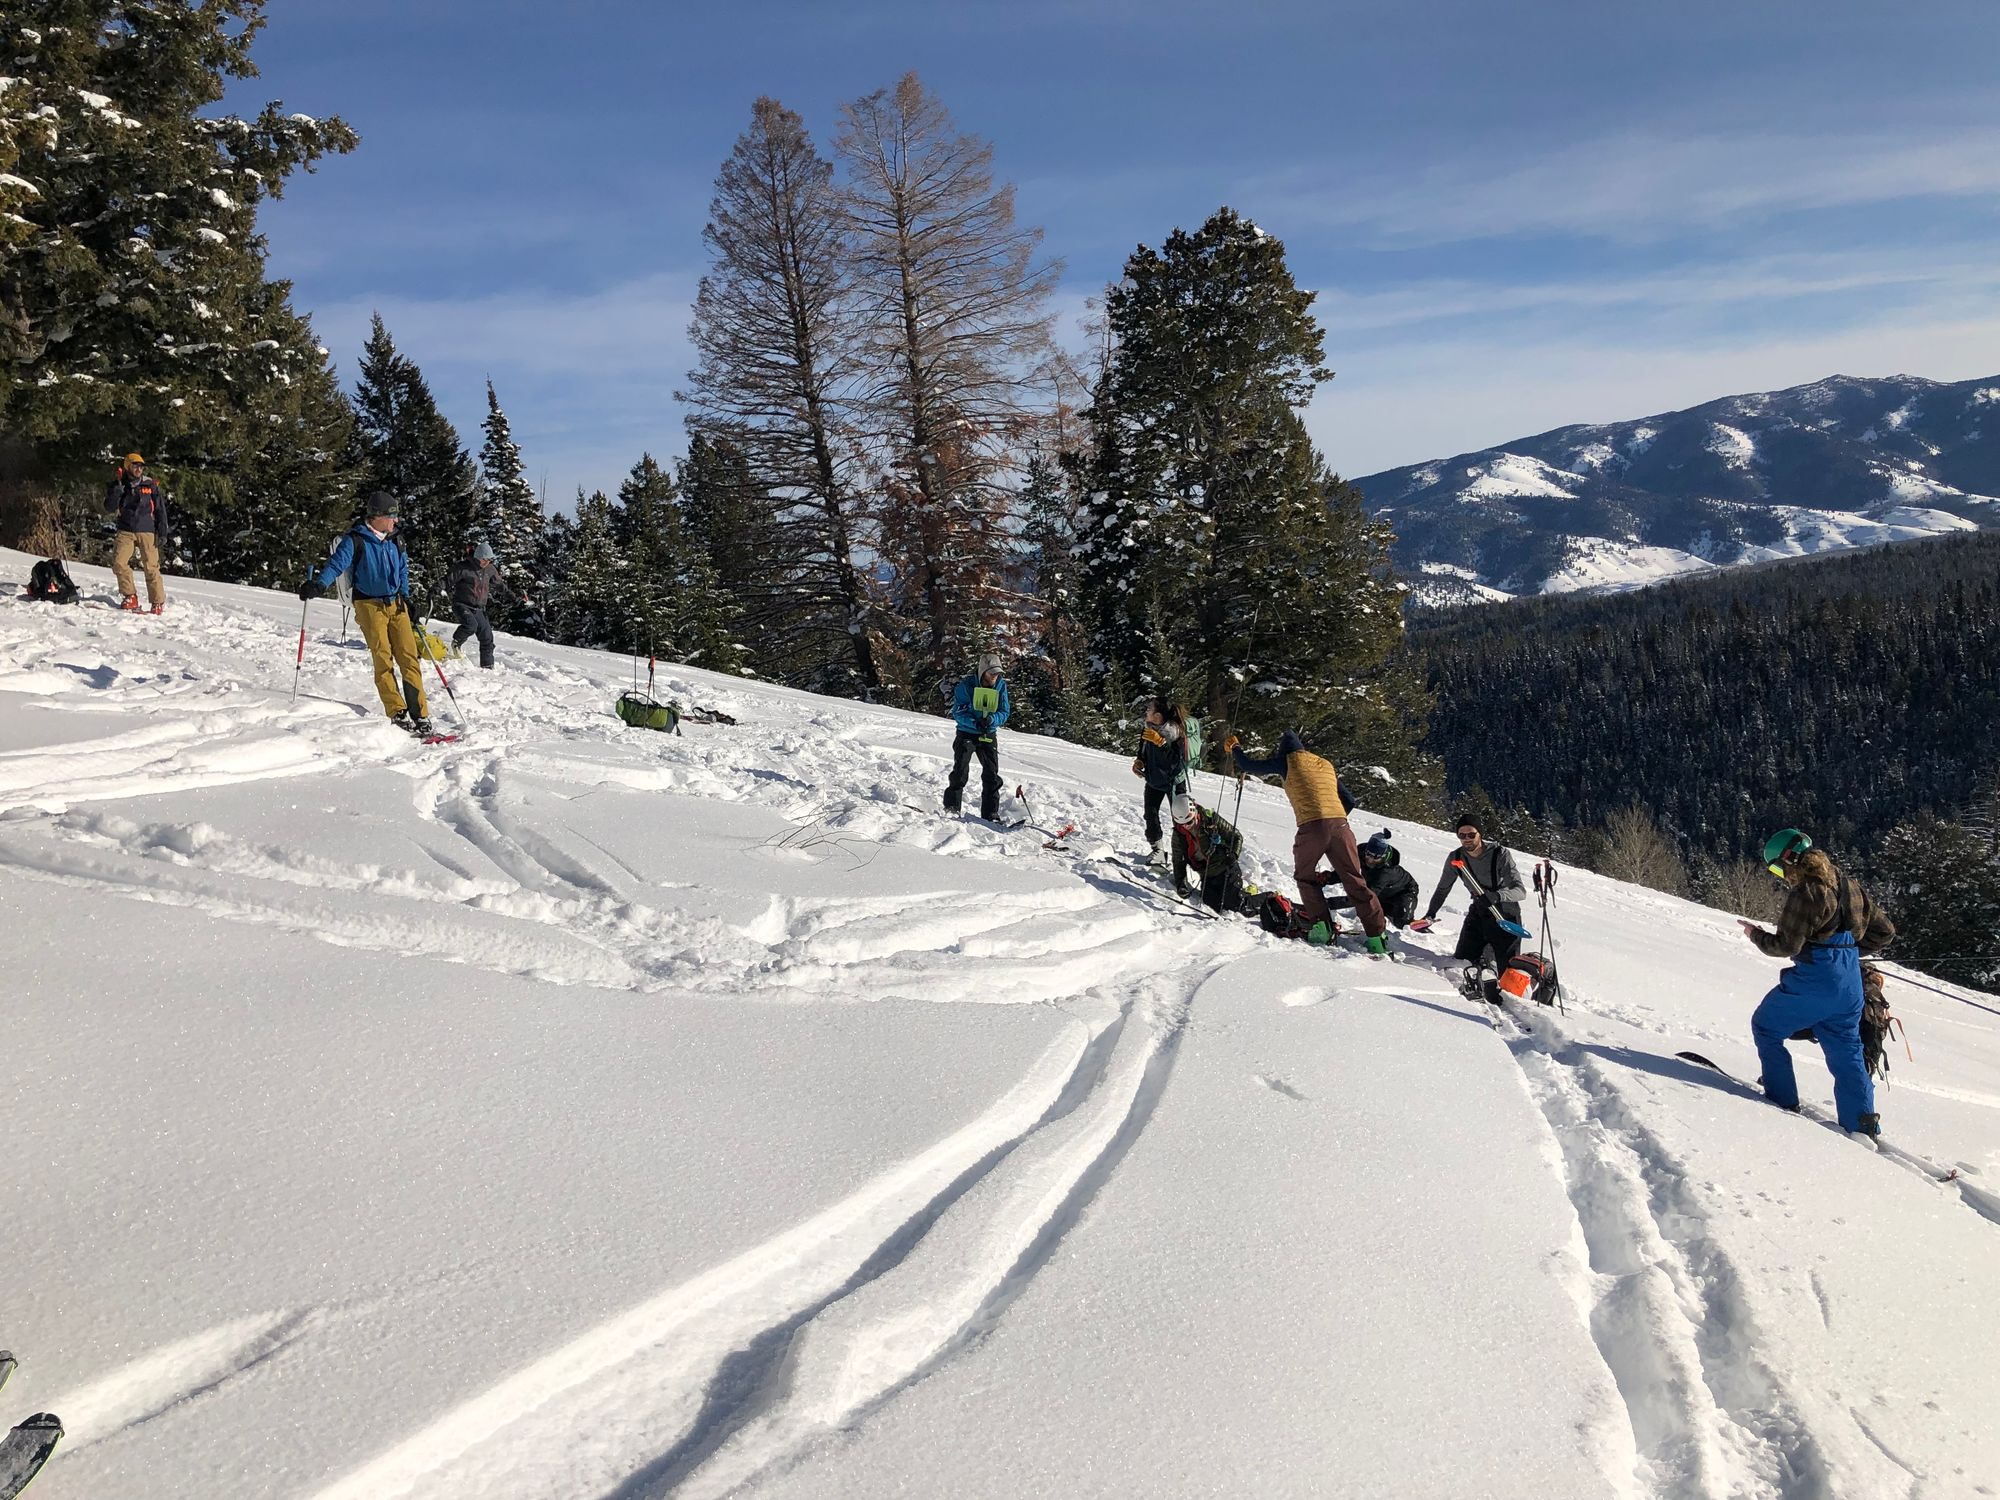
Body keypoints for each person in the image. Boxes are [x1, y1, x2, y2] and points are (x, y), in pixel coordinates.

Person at [1740, 827, 1895, 1135]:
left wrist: (1755, 935)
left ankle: (1781, 1099)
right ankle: (1862, 1125)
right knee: (1847, 1051)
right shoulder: (1848, 884)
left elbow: (1786, 946)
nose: (1779, 875)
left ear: (1787, 860)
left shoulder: (1807, 892)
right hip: (1850, 984)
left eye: (1775, 868)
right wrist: (1848, 950)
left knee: (1766, 1027)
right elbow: (1885, 931)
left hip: (1816, 981)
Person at [1224, 729, 1389, 955]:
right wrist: (1334, 821)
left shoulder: (1287, 761)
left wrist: (1234, 748)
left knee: (1305, 877)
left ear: (1284, 751)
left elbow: (1248, 765)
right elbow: (1350, 800)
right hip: (1341, 826)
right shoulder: (1325, 765)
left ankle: (1322, 927)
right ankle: (1377, 936)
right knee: (1354, 879)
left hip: (1312, 827)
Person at [299, 494, 434, 737]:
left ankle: (420, 713)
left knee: (409, 657)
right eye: (391, 516)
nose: (395, 520)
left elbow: (403, 569)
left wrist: (407, 597)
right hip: (369, 606)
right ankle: (397, 711)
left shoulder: (396, 540)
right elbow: (336, 564)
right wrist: (319, 585)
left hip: (397, 604)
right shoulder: (356, 540)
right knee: (383, 658)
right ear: (378, 517)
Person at [1409, 814, 1528, 969]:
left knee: (1507, 971)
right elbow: (1442, 889)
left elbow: (1520, 891)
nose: (1467, 839)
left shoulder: (1500, 854)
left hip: (1505, 912)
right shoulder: (1456, 857)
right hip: (1479, 910)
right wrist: (1431, 913)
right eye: (1462, 835)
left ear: (1480, 834)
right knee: (1462, 962)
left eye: (1471, 834)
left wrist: (1496, 896)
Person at [943, 653, 1010, 821]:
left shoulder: (1001, 686)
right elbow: (958, 712)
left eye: (997, 673)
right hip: (967, 733)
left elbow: (1004, 711)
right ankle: (952, 806)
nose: (995, 676)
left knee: (992, 774)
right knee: (960, 770)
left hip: (988, 733)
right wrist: (975, 723)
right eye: (991, 673)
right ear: (982, 672)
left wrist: (992, 719)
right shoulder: (966, 686)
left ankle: (990, 813)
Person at [103, 452, 169, 613]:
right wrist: (117, 491)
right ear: (127, 466)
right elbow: (109, 507)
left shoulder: (150, 485)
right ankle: (130, 595)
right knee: (119, 563)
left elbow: (160, 509)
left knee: (151, 567)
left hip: (148, 530)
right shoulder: (119, 484)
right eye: (135, 465)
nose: (139, 469)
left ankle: (157, 602)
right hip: (125, 530)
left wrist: (162, 532)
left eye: (141, 466)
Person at [1131, 697, 1192, 865]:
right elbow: (1142, 750)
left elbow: (1176, 762)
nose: (1146, 712)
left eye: (1149, 709)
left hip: (1174, 782)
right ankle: (1158, 851)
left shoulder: (1176, 732)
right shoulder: (1148, 729)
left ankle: (1186, 857)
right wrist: (1139, 761)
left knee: (1181, 821)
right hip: (1154, 780)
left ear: (1157, 716)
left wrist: (1162, 743)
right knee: (1150, 814)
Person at [446, 540, 523, 669]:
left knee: (487, 637)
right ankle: (456, 643)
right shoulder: (463, 567)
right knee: (471, 625)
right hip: (462, 604)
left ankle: (487, 667)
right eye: (484, 559)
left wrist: (514, 598)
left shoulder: (490, 570)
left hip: (478, 608)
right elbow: (447, 580)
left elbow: (500, 586)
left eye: (489, 560)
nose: (486, 562)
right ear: (477, 557)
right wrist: (436, 590)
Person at [1324, 829, 1421, 929]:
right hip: (1381, 891)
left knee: (1402, 923)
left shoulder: (1386, 872)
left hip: (1404, 891)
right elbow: (1348, 871)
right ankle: (1385, 909)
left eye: (1376, 857)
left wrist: (1331, 903)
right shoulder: (1360, 852)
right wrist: (1328, 878)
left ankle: (1416, 926)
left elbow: (1365, 896)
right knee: (1378, 907)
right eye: (1368, 854)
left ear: (1384, 856)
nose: (1370, 860)